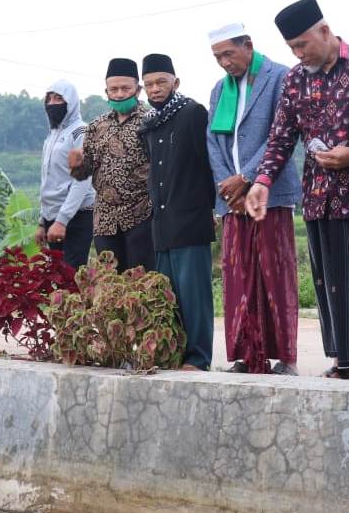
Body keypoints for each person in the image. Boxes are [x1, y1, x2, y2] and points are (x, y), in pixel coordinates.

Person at [246, 0, 349, 380]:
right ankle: (342, 362)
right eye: (292, 48)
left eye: (302, 44)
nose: (298, 54)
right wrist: (262, 181)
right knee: (330, 282)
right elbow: (281, 137)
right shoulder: (295, 81)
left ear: (324, 31)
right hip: (320, 197)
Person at [206, 23, 300, 375]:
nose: (224, 62)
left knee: (274, 273)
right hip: (231, 199)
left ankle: (285, 356)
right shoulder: (220, 89)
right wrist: (225, 185)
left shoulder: (280, 77)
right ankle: (247, 355)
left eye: (229, 53)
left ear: (248, 45)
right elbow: (212, 142)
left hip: (269, 193)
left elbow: (282, 134)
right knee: (239, 276)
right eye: (217, 57)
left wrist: (245, 177)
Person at [140, 53, 216, 371]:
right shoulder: (150, 123)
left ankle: (199, 358)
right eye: (149, 85)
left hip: (190, 219)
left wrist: (213, 209)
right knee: (168, 296)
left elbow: (209, 163)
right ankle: (174, 353)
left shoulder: (193, 113)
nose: (155, 89)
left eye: (161, 82)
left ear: (176, 82)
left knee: (194, 296)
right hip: (162, 223)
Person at [70, 58, 154, 273]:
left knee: (142, 281)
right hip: (105, 219)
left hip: (142, 216)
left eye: (125, 88)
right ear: (106, 91)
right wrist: (77, 165)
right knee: (110, 283)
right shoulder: (96, 126)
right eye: (113, 89)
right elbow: (84, 173)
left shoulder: (151, 122)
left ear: (138, 90)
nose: (119, 94)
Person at [35, 80, 94, 268]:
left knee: (72, 279)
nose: (52, 103)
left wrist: (62, 221)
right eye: (49, 99)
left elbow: (82, 181)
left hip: (76, 216)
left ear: (71, 102)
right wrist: (42, 221)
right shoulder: (52, 134)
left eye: (59, 98)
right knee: (56, 279)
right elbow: (48, 179)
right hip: (52, 218)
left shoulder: (80, 132)